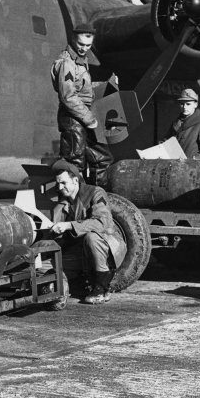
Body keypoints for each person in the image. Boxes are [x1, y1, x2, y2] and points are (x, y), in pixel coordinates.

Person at [49, 160, 126, 305]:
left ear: (75, 180)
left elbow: (101, 223)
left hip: (108, 244)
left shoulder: (95, 193)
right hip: (80, 249)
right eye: (58, 183)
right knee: (54, 264)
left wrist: (69, 225)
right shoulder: (62, 202)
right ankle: (80, 280)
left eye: (64, 183)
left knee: (91, 238)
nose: (60, 187)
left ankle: (101, 288)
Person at [50, 22, 113, 185]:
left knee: (102, 159)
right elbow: (68, 96)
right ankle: (72, 206)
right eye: (80, 44)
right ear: (72, 38)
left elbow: (83, 89)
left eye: (88, 45)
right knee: (74, 164)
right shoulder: (67, 63)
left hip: (83, 117)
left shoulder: (79, 62)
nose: (84, 48)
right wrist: (89, 119)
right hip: (73, 119)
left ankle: (100, 199)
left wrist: (107, 84)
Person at [166, 88, 200, 159]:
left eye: (188, 104)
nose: (185, 107)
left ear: (195, 105)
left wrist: (196, 158)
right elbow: (167, 141)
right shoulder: (176, 123)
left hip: (192, 167)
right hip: (175, 165)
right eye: (182, 104)